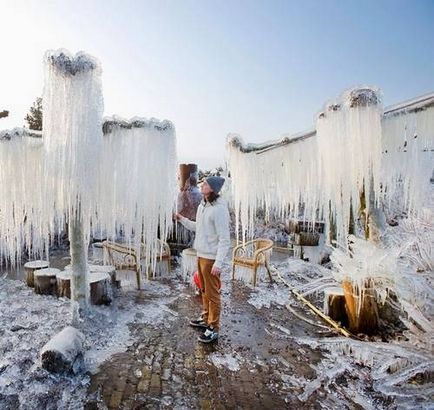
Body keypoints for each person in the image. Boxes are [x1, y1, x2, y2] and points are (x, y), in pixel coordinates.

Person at [176, 176, 230, 343]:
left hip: (212, 259)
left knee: (213, 294)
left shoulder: (219, 209)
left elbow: (225, 239)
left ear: (212, 188)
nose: (202, 185)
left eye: (205, 183)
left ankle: (213, 328)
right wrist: (182, 219)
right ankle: (206, 318)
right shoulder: (203, 205)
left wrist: (219, 263)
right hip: (201, 255)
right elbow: (197, 227)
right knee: (204, 291)